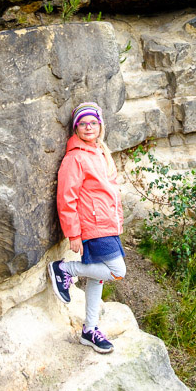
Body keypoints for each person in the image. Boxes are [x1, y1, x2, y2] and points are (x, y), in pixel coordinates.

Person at [47, 102, 125, 354]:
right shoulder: (75, 157)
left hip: (107, 224)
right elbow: (66, 198)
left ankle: (89, 330)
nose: (88, 127)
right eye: (83, 123)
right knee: (116, 271)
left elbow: (110, 193)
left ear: (100, 125)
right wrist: (73, 234)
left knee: (96, 279)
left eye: (93, 122)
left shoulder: (100, 152)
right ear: (76, 128)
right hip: (94, 226)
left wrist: (118, 220)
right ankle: (64, 269)